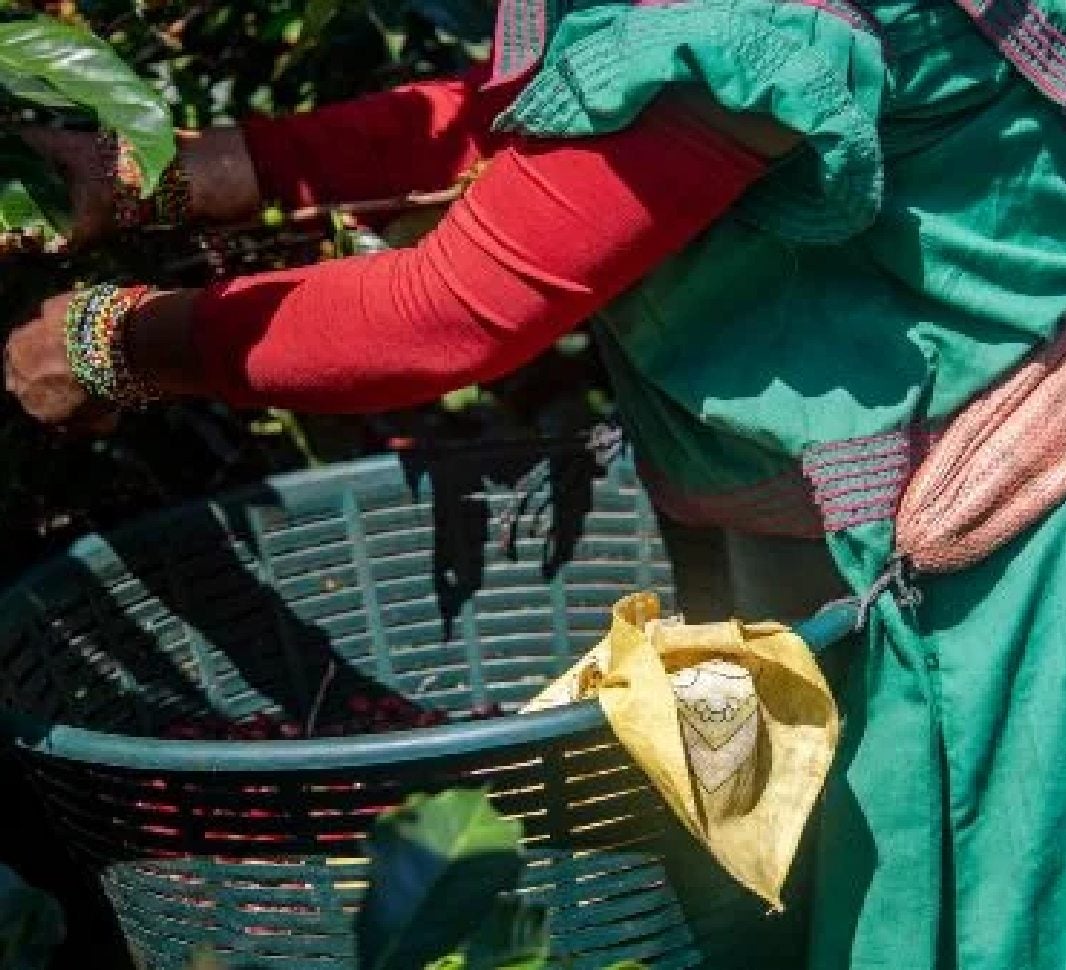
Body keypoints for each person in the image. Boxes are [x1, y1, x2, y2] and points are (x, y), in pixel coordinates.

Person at [6, 0, 1066, 967]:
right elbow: (557, 114)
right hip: (870, 520)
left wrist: (114, 342)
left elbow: (455, 307)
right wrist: (201, 168)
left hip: (993, 567)